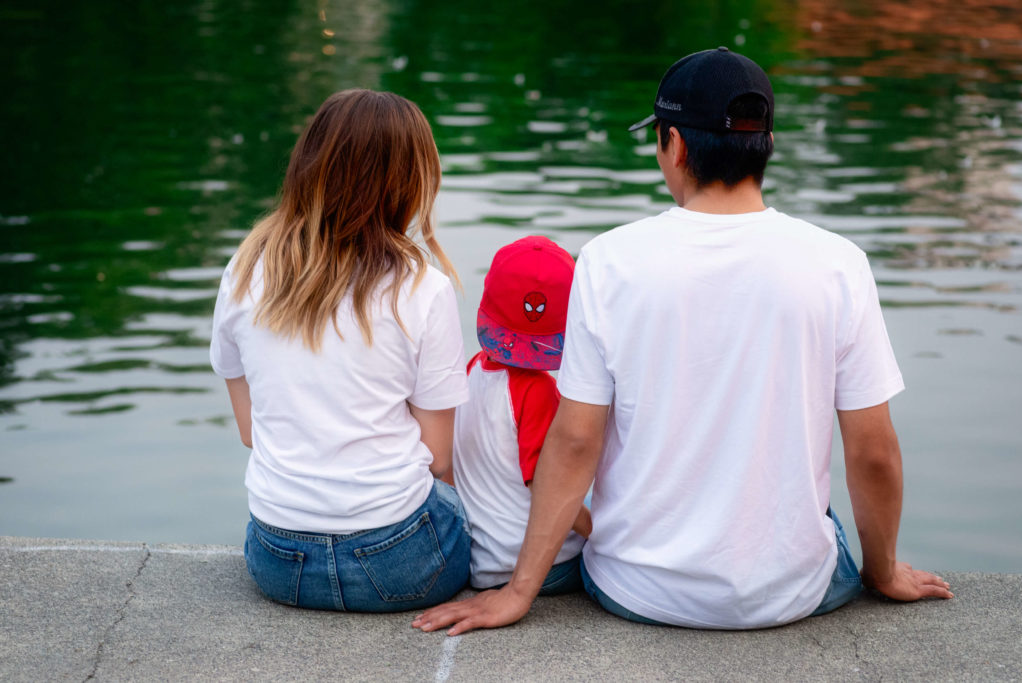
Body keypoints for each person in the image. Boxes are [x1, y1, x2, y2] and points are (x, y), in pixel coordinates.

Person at [413, 48, 953, 634]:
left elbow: (573, 443)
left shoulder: (608, 262)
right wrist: (884, 573)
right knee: (821, 525)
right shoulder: (839, 264)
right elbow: (873, 453)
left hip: (636, 588)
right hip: (786, 594)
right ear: (766, 144)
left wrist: (519, 593)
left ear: (676, 145)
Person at [210, 89, 472, 612]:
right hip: (400, 561)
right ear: (408, 182)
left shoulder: (244, 269)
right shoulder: (424, 289)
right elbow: (439, 458)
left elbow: (249, 431)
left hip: (278, 561)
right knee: (463, 505)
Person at [454, 236, 591, 595]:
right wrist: (603, 537)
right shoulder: (537, 390)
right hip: (540, 567)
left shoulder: (471, 371)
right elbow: (551, 484)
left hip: (482, 560)